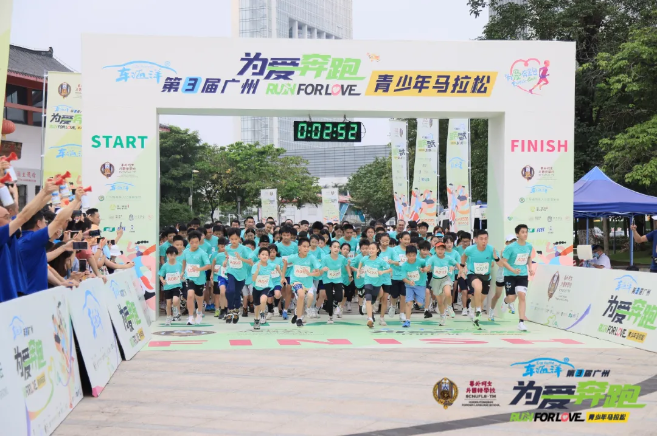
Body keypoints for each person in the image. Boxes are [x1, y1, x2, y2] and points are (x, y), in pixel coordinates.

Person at [19, 185, 84, 295]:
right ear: (38, 223)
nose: (46, 225)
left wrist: (61, 283)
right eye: (45, 222)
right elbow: (58, 220)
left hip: (35, 295)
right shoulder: (32, 239)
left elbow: (44, 266)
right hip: (30, 296)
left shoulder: (26, 241)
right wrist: (76, 200)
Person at [499, 224, 534, 331]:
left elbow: (529, 257)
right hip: (510, 275)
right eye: (522, 232)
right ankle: (506, 301)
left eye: (526, 232)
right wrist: (513, 270)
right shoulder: (510, 248)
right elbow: (503, 262)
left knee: (522, 296)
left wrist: (530, 268)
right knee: (512, 298)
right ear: (517, 234)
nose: (525, 234)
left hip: (522, 275)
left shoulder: (529, 246)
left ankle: (521, 322)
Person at [460, 230, 496, 330]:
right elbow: (464, 256)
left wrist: (495, 260)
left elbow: (497, 262)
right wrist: (462, 267)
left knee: (480, 298)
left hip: (486, 276)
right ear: (476, 239)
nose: (484, 241)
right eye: (481, 239)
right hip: (473, 273)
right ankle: (478, 311)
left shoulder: (491, 249)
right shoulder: (470, 249)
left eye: (486, 239)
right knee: (478, 287)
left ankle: (472, 307)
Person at [283, 237, 322, 327]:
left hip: (307, 283)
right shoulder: (294, 257)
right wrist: (282, 277)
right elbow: (285, 262)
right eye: (304, 246)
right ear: (299, 247)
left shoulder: (311, 258)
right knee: (301, 295)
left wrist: (310, 273)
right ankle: (299, 319)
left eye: (308, 246)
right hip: (296, 281)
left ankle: (297, 312)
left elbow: (318, 272)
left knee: (309, 298)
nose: (306, 248)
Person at [426, 242, 463, 326]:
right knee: (440, 302)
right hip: (436, 281)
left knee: (448, 293)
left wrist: (460, 270)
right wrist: (427, 269)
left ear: (445, 250)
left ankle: (449, 307)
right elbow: (428, 266)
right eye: (438, 249)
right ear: (435, 249)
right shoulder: (432, 258)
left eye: (442, 249)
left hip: (446, 278)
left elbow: (456, 263)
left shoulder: (448, 258)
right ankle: (442, 317)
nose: (440, 251)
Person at [180, 230, 212, 325]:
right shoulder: (186, 251)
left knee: (199, 297)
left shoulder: (202, 253)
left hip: (200, 278)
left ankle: (199, 312)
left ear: (199, 241)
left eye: (196, 242)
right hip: (189, 277)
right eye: (192, 242)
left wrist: (199, 269)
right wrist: (182, 271)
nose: (194, 244)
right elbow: (184, 261)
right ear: (189, 242)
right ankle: (190, 317)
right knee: (190, 295)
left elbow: (208, 266)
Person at [357, 241, 391, 328]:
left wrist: (382, 272)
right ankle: (370, 319)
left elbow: (390, 269)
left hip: (377, 284)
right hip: (368, 281)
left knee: (373, 300)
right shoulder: (365, 258)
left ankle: (367, 306)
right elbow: (361, 263)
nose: (371, 250)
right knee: (368, 298)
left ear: (377, 250)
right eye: (369, 248)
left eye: (373, 249)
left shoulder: (380, 261)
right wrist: (358, 271)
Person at [224, 228, 254, 323]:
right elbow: (227, 257)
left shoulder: (244, 249)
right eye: (232, 239)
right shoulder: (227, 248)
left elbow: (251, 262)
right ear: (229, 238)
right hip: (231, 272)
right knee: (230, 291)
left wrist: (241, 259)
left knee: (237, 293)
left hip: (241, 275)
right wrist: (225, 261)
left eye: (236, 239)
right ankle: (230, 309)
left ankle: (236, 310)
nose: (234, 241)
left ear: (239, 239)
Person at [251, 247, 282, 330]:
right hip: (257, 287)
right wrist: (257, 270)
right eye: (263, 254)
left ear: (268, 257)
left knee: (264, 299)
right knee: (257, 306)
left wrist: (282, 276)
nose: (264, 256)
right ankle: (256, 319)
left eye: (266, 255)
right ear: (259, 256)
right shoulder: (255, 266)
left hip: (266, 286)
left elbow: (277, 267)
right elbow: (253, 279)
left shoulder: (270, 265)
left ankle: (262, 313)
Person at [320, 241, 350, 324]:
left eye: (338, 247)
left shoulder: (342, 258)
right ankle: (330, 316)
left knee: (339, 297)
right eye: (334, 247)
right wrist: (323, 269)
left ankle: (333, 299)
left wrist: (350, 274)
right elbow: (320, 270)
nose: (336, 249)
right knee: (329, 298)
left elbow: (346, 265)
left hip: (338, 279)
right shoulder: (325, 258)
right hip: (327, 279)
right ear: (330, 248)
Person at [400, 245, 428, 327]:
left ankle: (415, 298)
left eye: (413, 255)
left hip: (420, 285)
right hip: (409, 286)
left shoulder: (421, 261)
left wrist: (424, 269)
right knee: (408, 303)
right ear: (406, 255)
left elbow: (427, 267)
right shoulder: (404, 265)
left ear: (416, 254)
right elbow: (403, 278)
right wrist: (409, 282)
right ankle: (407, 321)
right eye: (409, 255)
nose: (411, 257)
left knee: (420, 304)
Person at [491, 235, 517, 320]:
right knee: (497, 295)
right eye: (511, 241)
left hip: (511, 275)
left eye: (514, 241)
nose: (513, 243)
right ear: (506, 243)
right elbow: (502, 264)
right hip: (502, 275)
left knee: (514, 293)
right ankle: (491, 311)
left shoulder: (518, 251)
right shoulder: (504, 250)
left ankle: (509, 303)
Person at [276, 226, 298, 319]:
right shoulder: (277, 246)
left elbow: (297, 257)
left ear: (290, 235)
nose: (286, 237)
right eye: (284, 235)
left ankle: (285, 310)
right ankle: (278, 308)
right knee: (280, 291)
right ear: (281, 235)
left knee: (289, 289)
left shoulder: (295, 246)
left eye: (287, 235)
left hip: (291, 271)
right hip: (280, 272)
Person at [389, 231, 411, 321]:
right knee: (394, 295)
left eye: (408, 239)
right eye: (405, 239)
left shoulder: (411, 250)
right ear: (400, 239)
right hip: (395, 276)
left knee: (403, 295)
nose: (407, 241)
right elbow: (393, 261)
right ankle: (393, 306)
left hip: (405, 277)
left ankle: (402, 313)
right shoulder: (394, 250)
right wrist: (396, 263)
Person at [159, 246, 183, 325]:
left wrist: (182, 276)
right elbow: (161, 275)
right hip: (167, 287)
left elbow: (183, 273)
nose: (172, 257)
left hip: (176, 286)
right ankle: (168, 317)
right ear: (167, 255)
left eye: (174, 255)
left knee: (175, 300)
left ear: (176, 255)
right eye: (170, 255)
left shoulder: (179, 264)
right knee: (168, 303)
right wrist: (162, 280)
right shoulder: (165, 265)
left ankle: (175, 308)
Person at [210, 237, 228, 319]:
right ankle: (217, 309)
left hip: (226, 276)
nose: (223, 248)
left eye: (225, 246)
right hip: (217, 277)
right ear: (218, 246)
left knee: (225, 293)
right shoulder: (215, 254)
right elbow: (212, 264)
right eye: (222, 246)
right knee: (217, 294)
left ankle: (224, 308)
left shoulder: (229, 254)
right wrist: (212, 273)